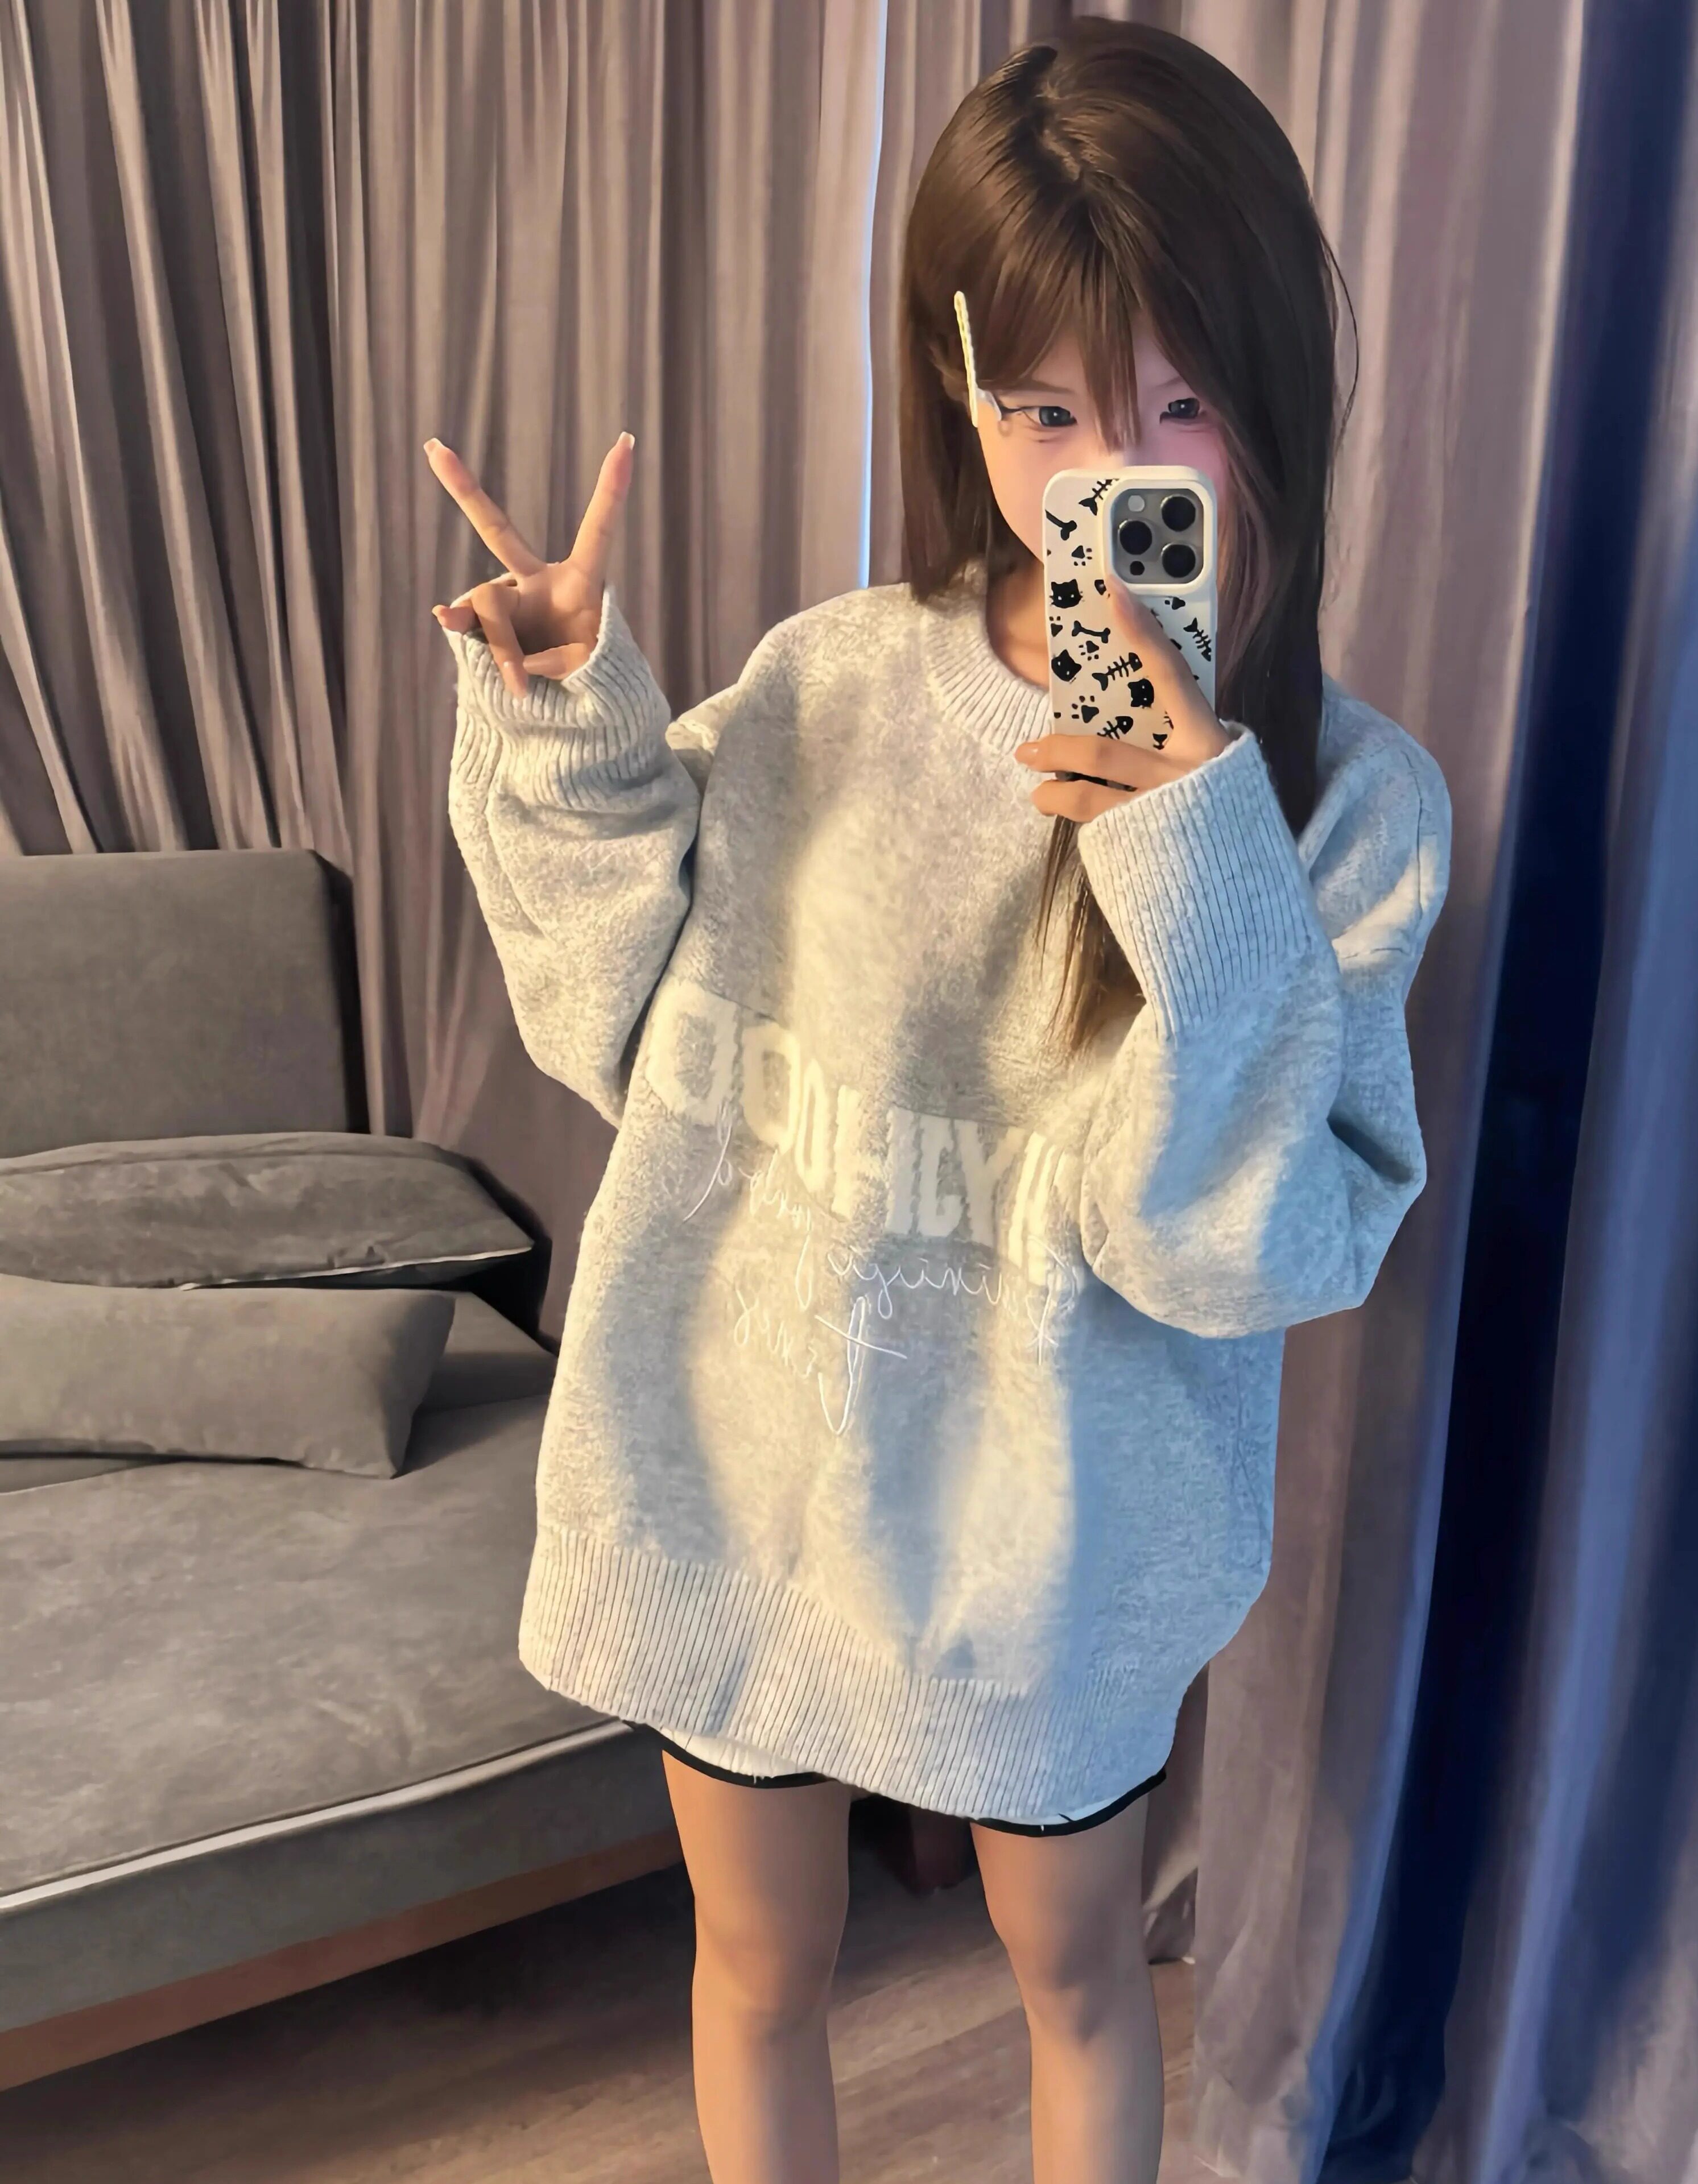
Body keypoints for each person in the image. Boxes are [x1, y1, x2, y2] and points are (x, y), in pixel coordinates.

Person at [423, 21, 1451, 2184]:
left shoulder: (1349, 810)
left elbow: (1233, 1246)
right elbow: (621, 1022)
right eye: (1046, 407)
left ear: (1273, 395)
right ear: (958, 389)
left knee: (1077, 1978)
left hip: (1058, 1547)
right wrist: (570, 722)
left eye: (1180, 403)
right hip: (745, 1469)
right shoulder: (832, 680)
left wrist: (1185, 835)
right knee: (754, 1968)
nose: (1109, 473)